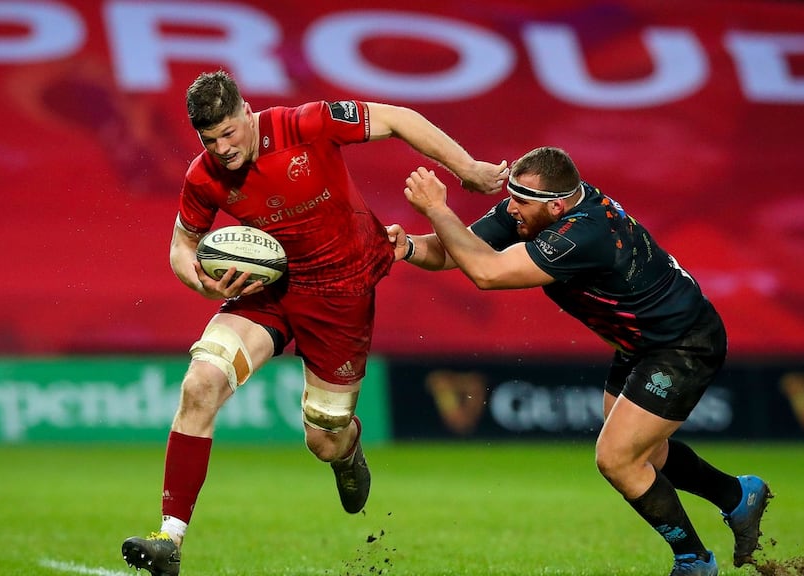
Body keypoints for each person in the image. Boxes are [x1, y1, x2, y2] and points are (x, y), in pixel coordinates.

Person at [120, 70, 508, 576]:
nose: (223, 148)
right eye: (210, 140)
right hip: (268, 292)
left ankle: (347, 452)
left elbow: (396, 118)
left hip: (340, 295)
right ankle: (169, 539)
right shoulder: (203, 176)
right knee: (201, 383)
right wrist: (201, 283)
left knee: (323, 438)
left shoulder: (305, 124)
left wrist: (468, 169)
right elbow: (181, 247)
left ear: (246, 111)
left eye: (229, 134)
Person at [389, 146, 771, 576]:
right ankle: (738, 496)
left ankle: (694, 561)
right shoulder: (542, 208)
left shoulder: (583, 233)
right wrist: (407, 247)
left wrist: (437, 208)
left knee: (618, 458)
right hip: (642, 341)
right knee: (646, 451)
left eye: (520, 203)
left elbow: (487, 273)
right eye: (512, 198)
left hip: (682, 343)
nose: (510, 209)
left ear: (556, 205)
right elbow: (454, 251)